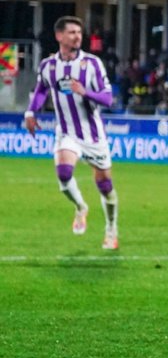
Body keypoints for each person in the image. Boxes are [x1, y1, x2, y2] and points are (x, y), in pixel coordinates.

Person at [24, 16, 119, 249]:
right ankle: (81, 207)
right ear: (59, 36)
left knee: (105, 185)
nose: (78, 36)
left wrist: (85, 92)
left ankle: (111, 229)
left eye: (79, 32)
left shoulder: (93, 64)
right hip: (67, 132)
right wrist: (30, 112)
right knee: (64, 173)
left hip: (93, 135)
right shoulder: (48, 66)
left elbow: (108, 99)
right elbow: (40, 91)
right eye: (72, 32)